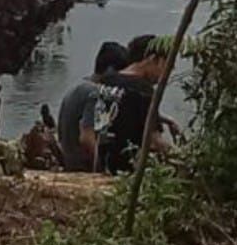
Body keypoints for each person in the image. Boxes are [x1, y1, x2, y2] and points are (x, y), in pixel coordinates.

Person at [97, 35, 173, 174]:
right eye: (167, 65)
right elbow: (154, 140)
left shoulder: (107, 80)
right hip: (127, 166)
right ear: (152, 59)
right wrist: (181, 156)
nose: (167, 73)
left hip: (102, 161)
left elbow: (121, 112)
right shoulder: (143, 89)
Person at [57, 42, 130, 171]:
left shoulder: (80, 87)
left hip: (68, 158)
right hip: (81, 166)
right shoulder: (96, 94)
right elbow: (86, 138)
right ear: (110, 70)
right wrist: (100, 169)